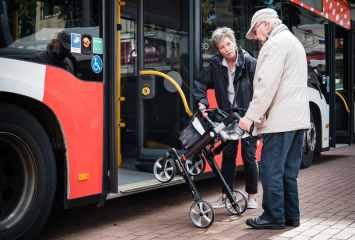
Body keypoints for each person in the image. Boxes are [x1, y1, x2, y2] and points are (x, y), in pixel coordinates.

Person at [239, 8, 310, 229]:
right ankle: (291, 216)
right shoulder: (293, 42)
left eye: (257, 32)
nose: (258, 38)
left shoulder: (275, 44)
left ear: (266, 24)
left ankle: (273, 216)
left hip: (280, 120)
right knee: (289, 172)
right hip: (297, 119)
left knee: (271, 169)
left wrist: (250, 116)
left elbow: (266, 85)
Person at [193, 27, 259, 209]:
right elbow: (200, 83)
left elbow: (262, 90)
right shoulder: (215, 64)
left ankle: (252, 196)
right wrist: (202, 101)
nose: (227, 49)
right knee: (228, 156)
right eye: (222, 47)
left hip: (247, 116)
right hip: (227, 117)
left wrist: (255, 116)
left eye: (229, 44)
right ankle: (225, 195)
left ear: (234, 42)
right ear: (218, 50)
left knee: (248, 156)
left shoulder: (250, 63)